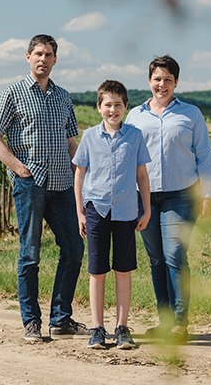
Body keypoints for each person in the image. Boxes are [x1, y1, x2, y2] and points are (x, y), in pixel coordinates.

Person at [0, 34, 89, 342]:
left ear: (55, 60)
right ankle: (31, 322)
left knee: (74, 249)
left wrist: (84, 173)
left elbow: (72, 141)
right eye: (38, 53)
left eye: (49, 54)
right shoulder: (13, 93)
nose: (43, 59)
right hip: (30, 185)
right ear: (28, 57)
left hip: (62, 184)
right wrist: (19, 169)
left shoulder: (63, 97)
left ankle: (61, 319)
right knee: (30, 255)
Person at [124, 55, 211, 344]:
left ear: (176, 82)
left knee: (175, 254)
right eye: (157, 78)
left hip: (180, 195)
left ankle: (180, 322)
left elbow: (204, 156)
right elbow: (126, 158)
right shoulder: (135, 115)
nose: (161, 84)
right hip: (145, 197)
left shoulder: (191, 114)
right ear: (149, 81)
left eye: (167, 79)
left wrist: (208, 194)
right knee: (156, 260)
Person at [72, 80, 151, 350]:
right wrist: (80, 211)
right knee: (97, 270)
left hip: (126, 210)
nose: (113, 110)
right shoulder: (90, 136)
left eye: (118, 105)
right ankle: (96, 327)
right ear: (99, 107)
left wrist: (147, 208)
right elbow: (80, 174)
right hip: (96, 210)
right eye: (108, 104)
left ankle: (122, 327)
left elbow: (142, 174)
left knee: (123, 269)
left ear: (125, 107)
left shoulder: (135, 136)